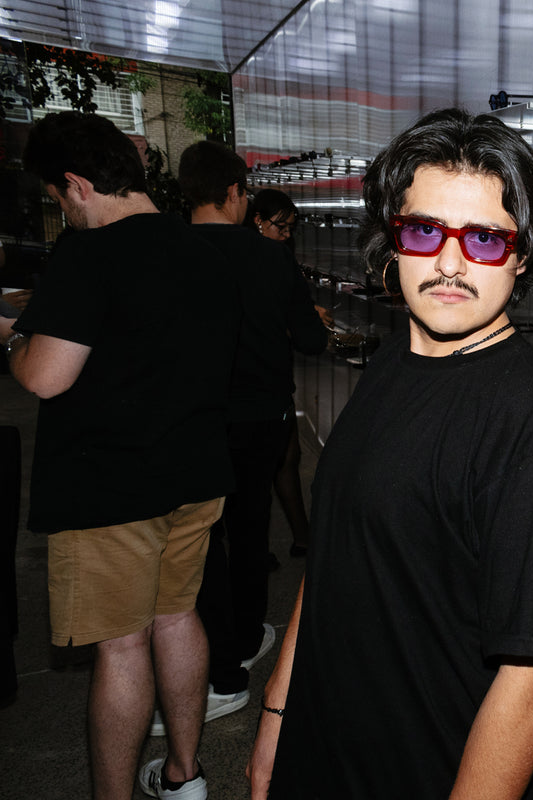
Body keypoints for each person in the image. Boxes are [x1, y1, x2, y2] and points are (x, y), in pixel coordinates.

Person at [246, 107, 533, 799]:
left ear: (523, 257)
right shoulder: (393, 364)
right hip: (328, 754)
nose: (449, 264)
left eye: (485, 240)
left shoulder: (532, 430)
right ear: (394, 240)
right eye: (425, 230)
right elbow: (335, 559)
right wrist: (276, 720)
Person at [0, 111, 238, 800]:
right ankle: (184, 775)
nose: (62, 211)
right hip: (195, 475)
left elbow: (47, 376)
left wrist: (13, 340)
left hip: (110, 488)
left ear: (77, 184)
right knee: (178, 617)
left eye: (58, 197)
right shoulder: (206, 251)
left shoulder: (89, 255)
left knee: (123, 645)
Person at [175, 141, 328, 732]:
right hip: (262, 415)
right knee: (248, 525)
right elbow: (309, 341)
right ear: (236, 192)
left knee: (200, 537)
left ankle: (212, 646)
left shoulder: (170, 251)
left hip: (192, 418)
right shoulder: (269, 258)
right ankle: (243, 638)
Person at [249, 187, 327, 558]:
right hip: (262, 382)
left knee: (285, 459)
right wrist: (301, 322)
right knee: (274, 463)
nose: (286, 234)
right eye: (280, 226)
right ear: (257, 221)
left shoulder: (269, 256)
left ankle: (297, 538)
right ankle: (267, 547)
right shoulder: (265, 259)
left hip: (270, 382)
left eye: (291, 227)